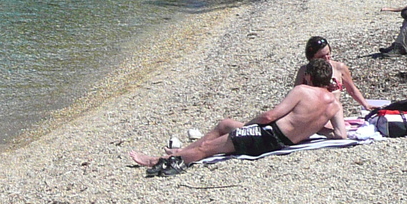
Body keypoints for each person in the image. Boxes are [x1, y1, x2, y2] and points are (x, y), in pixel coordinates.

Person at [128, 57, 347, 168]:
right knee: (225, 124)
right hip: (278, 139)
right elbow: (340, 135)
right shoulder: (334, 105)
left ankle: (158, 162)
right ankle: (179, 152)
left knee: (206, 148)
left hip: (267, 137)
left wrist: (252, 124)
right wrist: (315, 127)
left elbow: (269, 117)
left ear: (308, 76)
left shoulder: (302, 90)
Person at [295, 36, 381, 112]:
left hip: (333, 112)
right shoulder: (304, 70)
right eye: (321, 57)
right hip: (311, 113)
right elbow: (296, 94)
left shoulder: (339, 68)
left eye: (328, 54)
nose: (326, 58)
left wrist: (365, 104)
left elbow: (351, 89)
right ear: (311, 58)